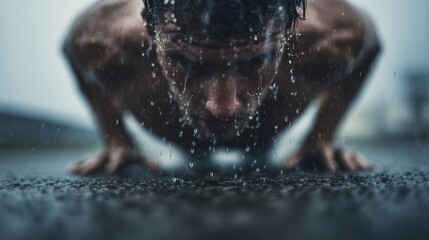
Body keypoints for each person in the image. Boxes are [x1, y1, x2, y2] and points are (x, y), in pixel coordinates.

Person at [63, 0, 380, 174]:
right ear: (150, 25)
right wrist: (116, 138)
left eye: (254, 61)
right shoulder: (103, 41)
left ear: (287, 28)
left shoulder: (333, 37)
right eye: (189, 62)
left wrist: (321, 137)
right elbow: (71, 49)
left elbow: (372, 44)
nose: (222, 107)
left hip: (264, 138)